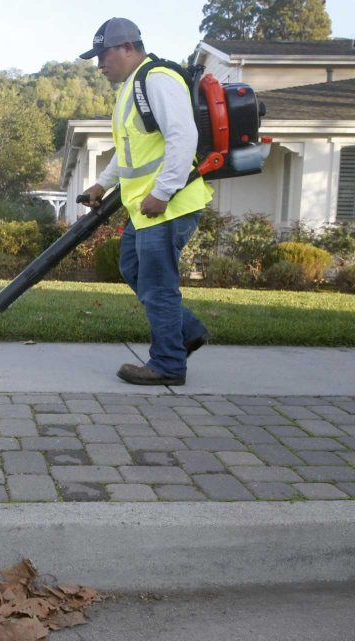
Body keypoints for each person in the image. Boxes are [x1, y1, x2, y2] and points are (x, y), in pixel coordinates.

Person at [79, 18, 212, 386]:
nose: (100, 64)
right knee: (132, 267)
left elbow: (183, 136)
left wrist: (164, 191)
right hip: (146, 206)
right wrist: (101, 185)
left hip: (167, 204)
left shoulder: (157, 79)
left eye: (103, 54)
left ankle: (168, 364)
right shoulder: (130, 90)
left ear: (127, 48)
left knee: (157, 284)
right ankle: (186, 330)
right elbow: (130, 154)